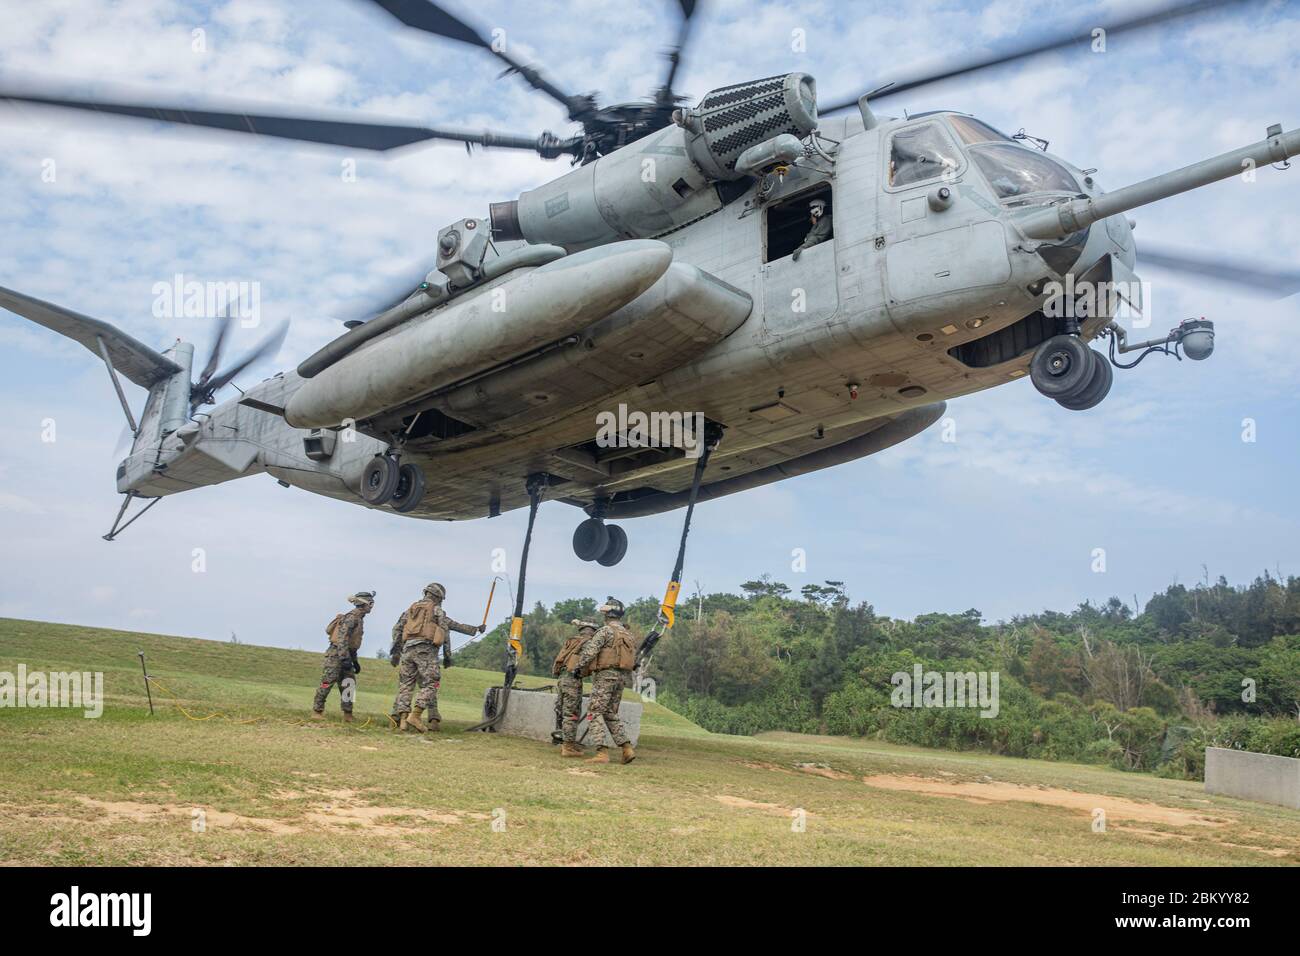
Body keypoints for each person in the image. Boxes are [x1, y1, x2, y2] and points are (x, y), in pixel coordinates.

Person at [390, 582, 484, 732]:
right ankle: (415, 716)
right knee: (432, 683)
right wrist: (447, 656)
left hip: (407, 651)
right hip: (425, 651)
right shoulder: (437, 610)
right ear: (437, 597)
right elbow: (445, 631)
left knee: (406, 685)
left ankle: (403, 721)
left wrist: (395, 652)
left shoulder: (410, 610)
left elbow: (397, 629)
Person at [573, 597, 638, 764]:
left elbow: (589, 652)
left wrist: (578, 668)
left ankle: (602, 752)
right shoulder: (628, 634)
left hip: (606, 676)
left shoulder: (605, 631)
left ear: (608, 613)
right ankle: (626, 748)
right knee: (610, 713)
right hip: (622, 678)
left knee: (594, 712)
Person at [311, 591, 374, 722]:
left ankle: (348, 714)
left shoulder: (359, 618)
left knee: (349, 684)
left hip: (347, 655)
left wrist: (354, 661)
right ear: (364, 604)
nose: (372, 606)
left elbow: (353, 642)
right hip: (336, 655)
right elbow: (342, 639)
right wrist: (344, 658)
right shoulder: (352, 617)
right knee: (327, 682)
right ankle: (317, 711)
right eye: (371, 603)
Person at [553, 620, 598, 758]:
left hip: (562, 678)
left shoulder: (572, 641)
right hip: (573, 680)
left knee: (561, 710)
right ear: (592, 631)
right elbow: (587, 661)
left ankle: (563, 741)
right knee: (571, 714)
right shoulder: (588, 643)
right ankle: (568, 747)